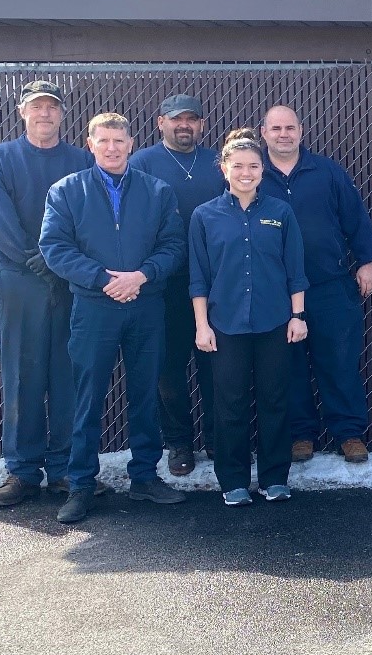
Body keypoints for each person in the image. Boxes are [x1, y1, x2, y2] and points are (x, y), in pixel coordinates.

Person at [40, 112, 188, 524]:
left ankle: (144, 478)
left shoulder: (157, 191)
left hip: (145, 305)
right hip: (94, 307)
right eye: (103, 140)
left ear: (131, 143)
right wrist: (103, 279)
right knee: (86, 398)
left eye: (119, 140)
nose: (111, 148)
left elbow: (174, 246)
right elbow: (55, 247)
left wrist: (143, 275)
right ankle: (81, 484)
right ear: (90, 144)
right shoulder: (66, 191)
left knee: (146, 394)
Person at [0, 81, 94, 508]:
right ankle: (22, 472)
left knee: (68, 375)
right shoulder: (0, 158)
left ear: (63, 115)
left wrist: (61, 261)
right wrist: (32, 257)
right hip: (19, 278)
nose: (45, 113)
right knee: (22, 377)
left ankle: (64, 470)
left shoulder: (81, 160)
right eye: (36, 107)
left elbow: (92, 216)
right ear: (23, 112)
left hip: (69, 279)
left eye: (52, 107)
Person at [190, 129, 309, 506]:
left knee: (276, 400)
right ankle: (234, 481)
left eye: (253, 166)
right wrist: (202, 325)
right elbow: (198, 276)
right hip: (224, 326)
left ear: (263, 170)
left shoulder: (280, 212)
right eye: (238, 165)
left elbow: (295, 269)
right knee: (230, 403)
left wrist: (297, 315)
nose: (246, 172)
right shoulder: (204, 216)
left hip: (275, 321)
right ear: (224, 169)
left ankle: (275, 478)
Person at [258, 105, 372, 464]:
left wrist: (367, 262)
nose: (284, 134)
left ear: (301, 130)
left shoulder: (326, 171)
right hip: (275, 288)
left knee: (339, 360)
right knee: (288, 364)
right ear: (263, 132)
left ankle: (349, 433)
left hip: (329, 283)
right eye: (276, 128)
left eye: (290, 127)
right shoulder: (252, 174)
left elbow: (355, 218)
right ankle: (301, 435)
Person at [129, 94, 225, 476]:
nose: (184, 125)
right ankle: (179, 443)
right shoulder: (141, 164)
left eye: (191, 119)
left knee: (216, 365)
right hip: (163, 283)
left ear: (201, 124)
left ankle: (219, 440)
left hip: (216, 281)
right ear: (160, 122)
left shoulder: (218, 162)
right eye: (176, 119)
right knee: (169, 368)